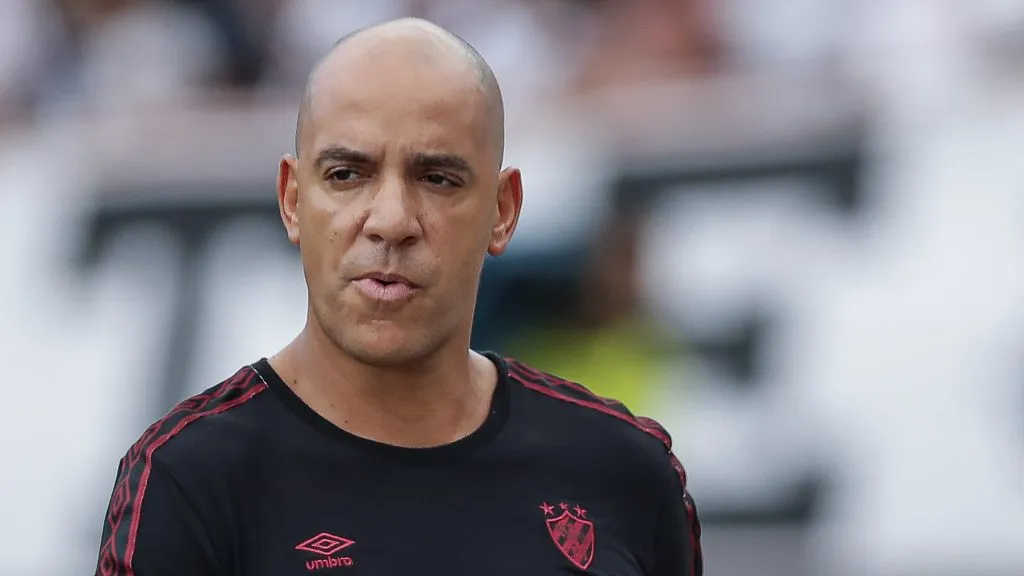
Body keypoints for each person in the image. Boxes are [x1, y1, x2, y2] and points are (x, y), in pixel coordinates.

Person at [93, 18, 703, 576]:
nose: (390, 220)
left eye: (436, 179)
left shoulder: (626, 473)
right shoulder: (189, 481)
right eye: (347, 175)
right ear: (292, 198)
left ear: (503, 211)